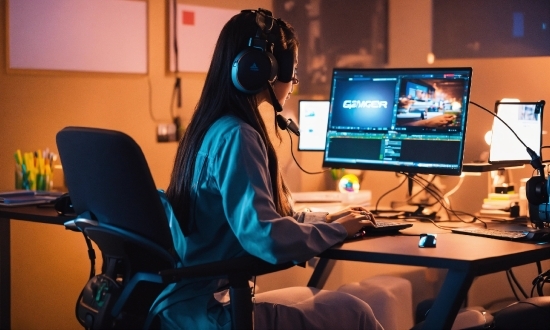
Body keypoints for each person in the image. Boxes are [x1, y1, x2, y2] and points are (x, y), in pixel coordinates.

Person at [150, 8, 383, 330]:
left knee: (328, 299)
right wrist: (338, 230)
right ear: (261, 70)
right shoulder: (238, 135)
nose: (295, 79)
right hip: (211, 316)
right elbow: (266, 238)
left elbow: (254, 220)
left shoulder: (211, 126)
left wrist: (326, 219)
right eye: (294, 68)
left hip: (184, 307)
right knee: (354, 311)